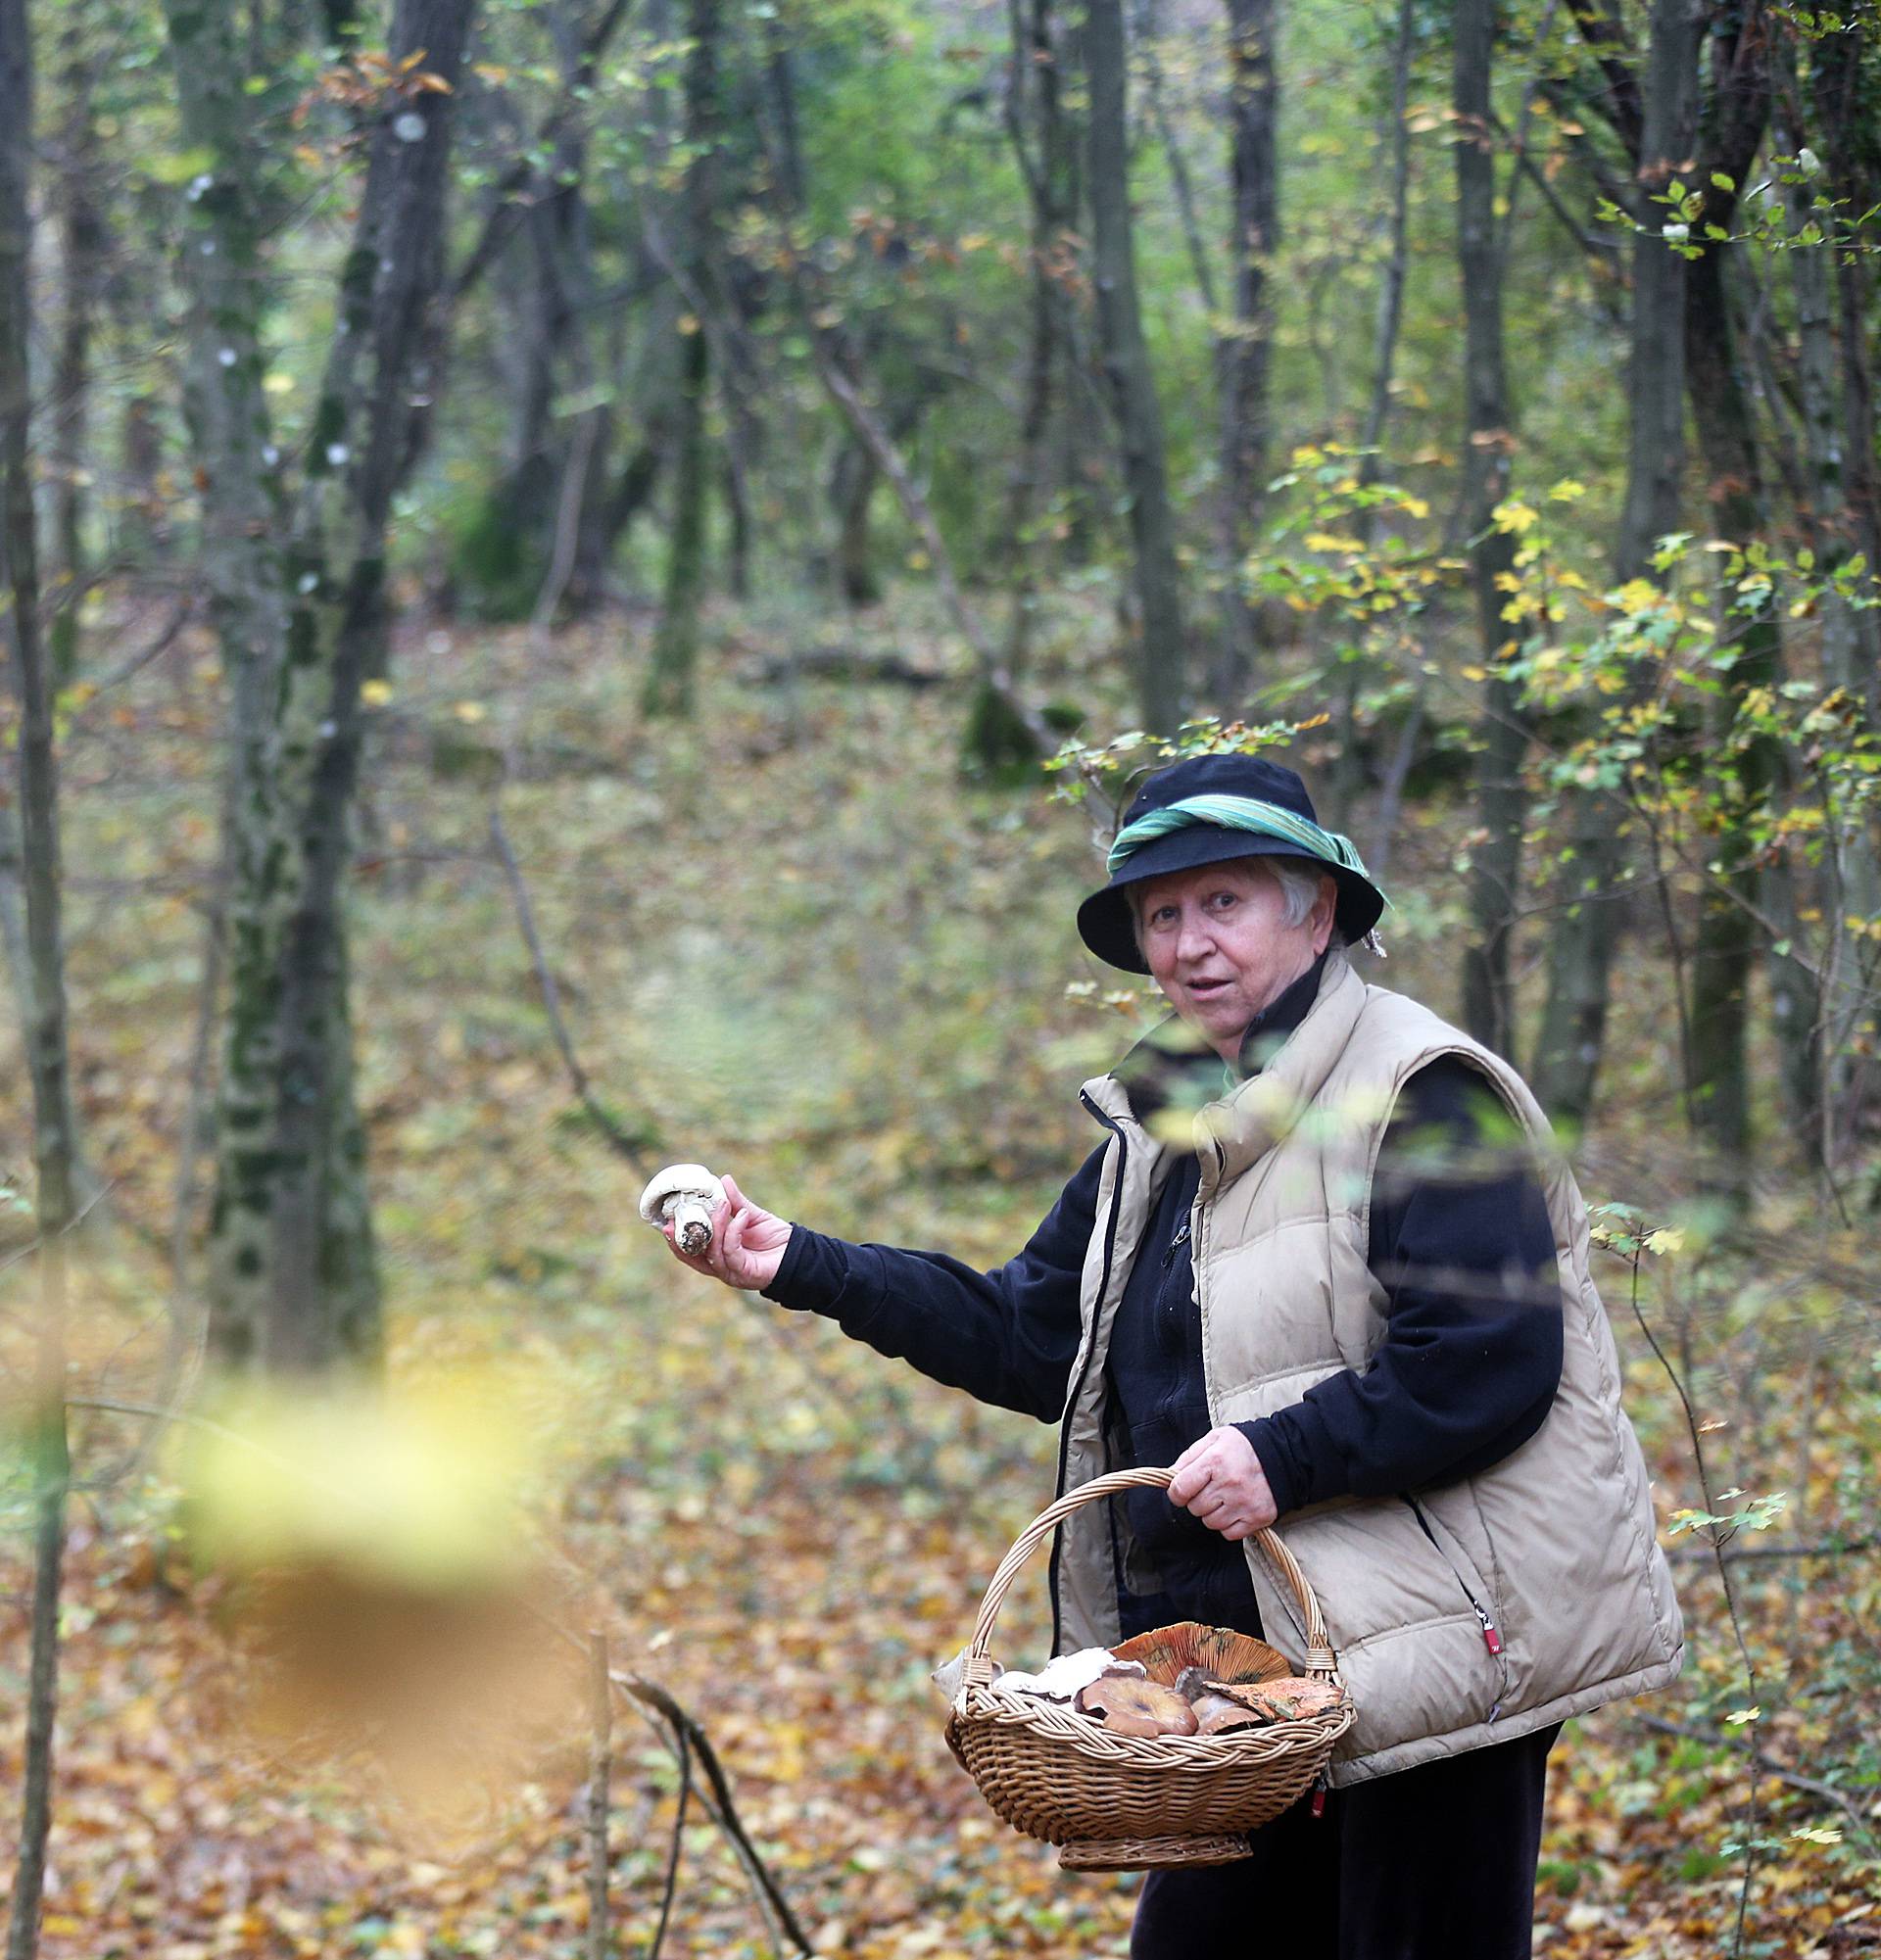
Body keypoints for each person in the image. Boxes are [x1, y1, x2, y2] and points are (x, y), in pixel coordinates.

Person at [654, 753, 1683, 1960]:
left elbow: (1488, 1361)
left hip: (1430, 1669)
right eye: (1161, 914)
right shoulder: (1163, 1133)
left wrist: (1278, 1459)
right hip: (1239, 1685)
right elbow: (1036, 1339)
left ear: (1316, 908)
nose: (1189, 943)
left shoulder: (1422, 1091)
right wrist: (804, 1265)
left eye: (1223, 902)